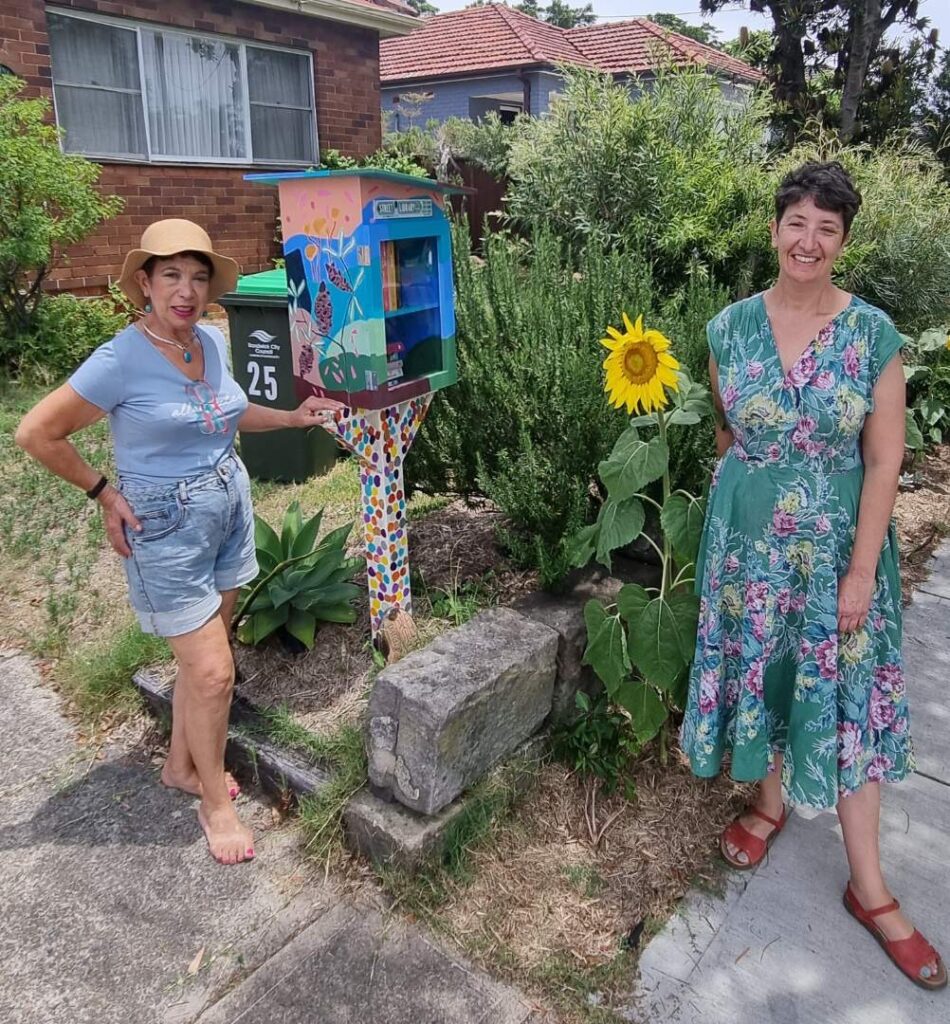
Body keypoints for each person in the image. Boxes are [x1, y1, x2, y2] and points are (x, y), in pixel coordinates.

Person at [680, 162, 945, 990]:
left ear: (842, 243)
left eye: (826, 228)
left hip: (836, 548)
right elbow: (730, 433)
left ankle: (870, 889)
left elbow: (885, 456)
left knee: (851, 701)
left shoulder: (873, 335)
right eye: (796, 222)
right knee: (764, 674)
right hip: (750, 549)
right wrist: (739, 528)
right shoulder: (728, 328)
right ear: (773, 231)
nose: (808, 240)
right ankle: (767, 804)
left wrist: (864, 568)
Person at [15, 219, 342, 866]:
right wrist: (104, 493)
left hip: (225, 509)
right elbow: (35, 433)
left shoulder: (211, 341)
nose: (187, 291)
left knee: (203, 664)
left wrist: (291, 416)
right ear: (145, 282)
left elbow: (225, 412)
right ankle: (213, 805)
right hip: (163, 527)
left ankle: (179, 766)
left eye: (198, 277)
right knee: (216, 672)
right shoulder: (119, 359)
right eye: (171, 275)